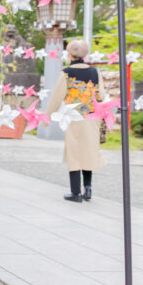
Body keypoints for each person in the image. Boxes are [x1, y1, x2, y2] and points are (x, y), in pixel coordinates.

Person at [44, 39, 106, 202]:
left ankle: (75, 193)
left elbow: (56, 97)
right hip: (92, 117)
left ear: (70, 54)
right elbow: (102, 96)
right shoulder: (95, 72)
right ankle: (88, 188)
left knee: (74, 153)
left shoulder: (67, 73)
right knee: (88, 151)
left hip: (73, 117)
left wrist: (46, 116)